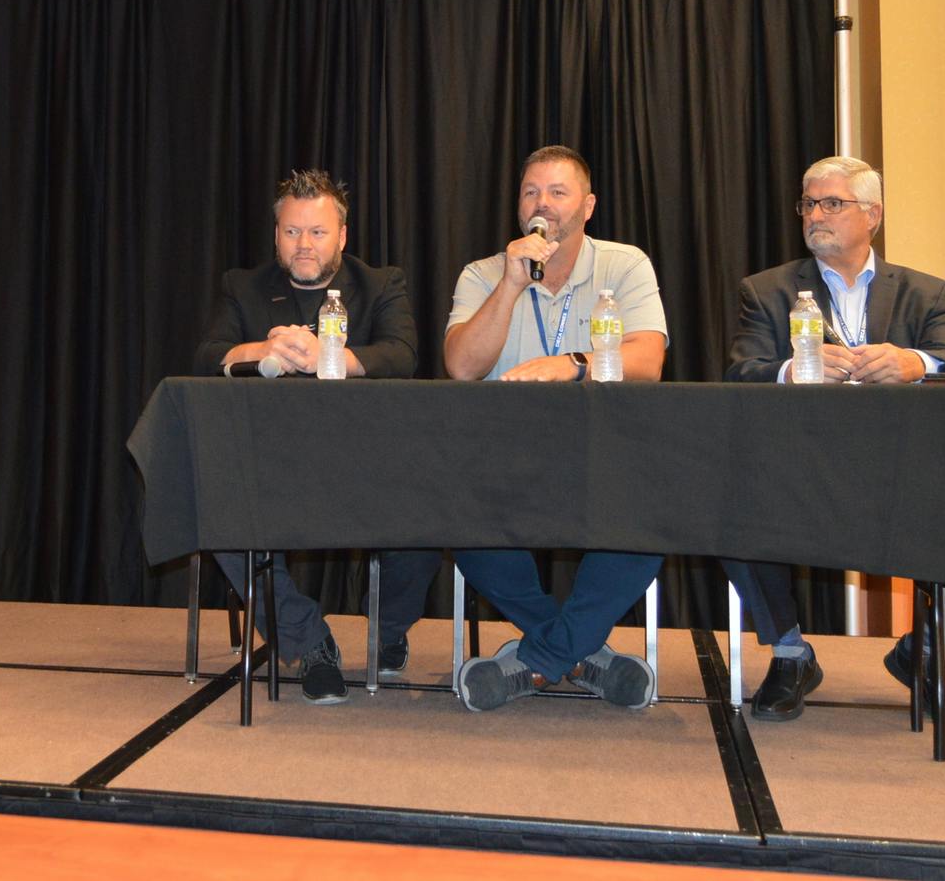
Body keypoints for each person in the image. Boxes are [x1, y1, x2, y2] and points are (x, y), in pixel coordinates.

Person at [722, 154, 945, 723]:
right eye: (809, 203)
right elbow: (742, 372)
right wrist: (796, 368)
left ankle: (927, 649)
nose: (816, 214)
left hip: (902, 470)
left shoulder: (926, 293)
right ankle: (790, 653)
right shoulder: (766, 291)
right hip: (798, 470)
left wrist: (914, 361)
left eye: (832, 203)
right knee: (729, 489)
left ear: (873, 215)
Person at [193, 169, 439, 704]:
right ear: (276, 233)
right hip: (273, 466)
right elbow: (207, 356)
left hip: (369, 462)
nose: (304, 245)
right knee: (219, 509)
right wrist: (260, 351)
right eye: (291, 232)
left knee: (430, 513)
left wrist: (335, 358)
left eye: (318, 232)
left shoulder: (380, 284)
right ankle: (310, 641)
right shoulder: (243, 286)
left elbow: (402, 354)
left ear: (342, 236)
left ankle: (389, 629)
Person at [441, 145, 668, 712]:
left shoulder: (625, 264)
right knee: (456, 509)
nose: (543, 204)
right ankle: (581, 653)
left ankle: (539, 658)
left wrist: (573, 363)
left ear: (587, 206)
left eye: (558, 193)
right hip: (506, 459)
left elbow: (649, 359)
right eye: (531, 193)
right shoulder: (484, 274)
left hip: (605, 455)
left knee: (657, 513)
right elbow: (462, 366)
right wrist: (512, 285)